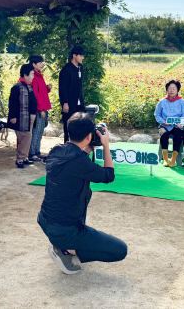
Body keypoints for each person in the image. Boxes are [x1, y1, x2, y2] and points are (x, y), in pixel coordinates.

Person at [38, 112, 127, 275]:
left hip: (45, 221)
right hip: (65, 230)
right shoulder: (80, 163)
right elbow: (108, 175)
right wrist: (106, 145)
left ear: (69, 132)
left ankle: (66, 245)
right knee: (120, 250)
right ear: (89, 136)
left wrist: (87, 149)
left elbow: (74, 166)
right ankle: (65, 250)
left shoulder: (56, 151)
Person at [8, 64, 37, 168]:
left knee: (28, 137)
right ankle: (20, 159)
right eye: (32, 74)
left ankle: (24, 157)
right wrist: (13, 116)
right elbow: (12, 103)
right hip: (21, 118)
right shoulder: (17, 87)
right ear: (25, 75)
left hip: (29, 117)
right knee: (24, 137)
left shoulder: (29, 86)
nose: (33, 77)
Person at [154, 80, 184, 167]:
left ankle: (173, 159)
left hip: (178, 126)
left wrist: (181, 123)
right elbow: (157, 114)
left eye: (174, 88)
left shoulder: (182, 102)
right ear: (167, 90)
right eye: (170, 88)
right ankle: (165, 159)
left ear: (177, 90)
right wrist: (163, 121)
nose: (172, 90)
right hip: (165, 125)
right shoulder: (162, 102)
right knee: (164, 134)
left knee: (178, 135)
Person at [28, 55, 52, 163]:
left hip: (43, 107)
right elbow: (35, 95)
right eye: (40, 62)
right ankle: (32, 153)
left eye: (42, 62)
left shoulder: (39, 75)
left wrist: (47, 89)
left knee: (40, 130)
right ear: (33, 64)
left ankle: (37, 151)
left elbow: (41, 92)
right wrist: (41, 109)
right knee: (36, 131)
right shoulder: (33, 76)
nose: (42, 64)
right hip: (38, 109)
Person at [59, 45, 85, 142]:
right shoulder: (66, 69)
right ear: (74, 56)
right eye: (80, 56)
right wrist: (65, 102)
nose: (82, 58)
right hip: (70, 103)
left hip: (79, 103)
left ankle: (78, 148)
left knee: (79, 126)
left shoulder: (80, 68)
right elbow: (63, 87)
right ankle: (67, 148)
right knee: (68, 127)